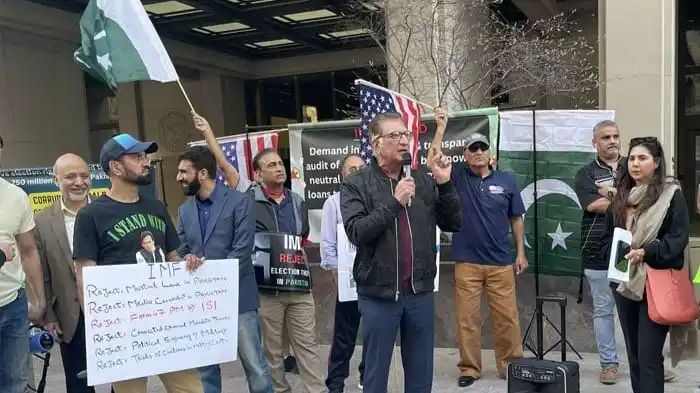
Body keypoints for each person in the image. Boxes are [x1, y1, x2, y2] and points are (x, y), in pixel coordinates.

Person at [340, 111, 462, 393]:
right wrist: (394, 203)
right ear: (375, 143)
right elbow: (357, 232)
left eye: (406, 134)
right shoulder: (357, 183)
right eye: (394, 135)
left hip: (419, 292)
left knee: (421, 375)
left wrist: (444, 183)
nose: (403, 140)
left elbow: (453, 222)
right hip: (379, 294)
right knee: (375, 375)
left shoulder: (421, 178)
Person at [73, 134, 204, 393]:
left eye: (145, 156)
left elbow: (172, 257)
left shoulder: (156, 207)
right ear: (115, 167)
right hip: (125, 331)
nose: (145, 162)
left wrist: (188, 264)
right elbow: (85, 276)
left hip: (167, 324)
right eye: (136, 157)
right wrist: (101, 332)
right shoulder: (91, 215)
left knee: (191, 389)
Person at [176, 142, 273, 393]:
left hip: (238, 298)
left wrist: (211, 274)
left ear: (203, 174)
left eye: (184, 172)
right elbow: (183, 249)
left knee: (255, 364)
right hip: (201, 304)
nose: (179, 178)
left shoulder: (239, 202)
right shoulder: (184, 211)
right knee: (206, 370)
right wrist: (187, 260)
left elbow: (242, 250)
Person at [600, 137, 688, 393]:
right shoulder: (621, 196)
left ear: (656, 162)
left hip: (655, 284)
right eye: (633, 158)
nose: (636, 164)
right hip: (624, 282)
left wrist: (646, 252)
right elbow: (607, 238)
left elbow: (676, 241)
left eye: (643, 158)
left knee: (649, 356)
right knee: (635, 355)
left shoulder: (671, 195)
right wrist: (617, 255)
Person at [445, 131, 528, 387]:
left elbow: (516, 218)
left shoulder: (507, 180)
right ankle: (470, 368)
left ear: (490, 153)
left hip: (500, 262)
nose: (478, 152)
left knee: (507, 318)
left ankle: (510, 365)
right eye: (473, 148)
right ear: (465, 155)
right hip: (466, 262)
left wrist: (520, 253)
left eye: (482, 147)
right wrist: (440, 128)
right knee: (467, 319)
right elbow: (433, 160)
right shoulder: (458, 177)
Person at [247, 148, 325, 393]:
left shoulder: (297, 201)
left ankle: (317, 390)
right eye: (271, 165)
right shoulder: (247, 203)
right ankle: (280, 390)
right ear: (258, 174)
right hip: (267, 289)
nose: (279, 168)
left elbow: (301, 238)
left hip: (298, 285)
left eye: (280, 163)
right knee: (272, 350)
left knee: (307, 345)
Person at [34, 153, 94, 393]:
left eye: (84, 175)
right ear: (55, 179)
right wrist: (48, 315)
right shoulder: (41, 222)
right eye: (70, 176)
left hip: (111, 313)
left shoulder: (105, 212)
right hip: (70, 316)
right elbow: (41, 273)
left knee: (121, 381)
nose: (79, 182)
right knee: (79, 384)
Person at [574, 120, 622, 384]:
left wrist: (610, 193)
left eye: (615, 136)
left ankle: (648, 362)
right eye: (605, 137)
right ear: (595, 142)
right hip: (596, 250)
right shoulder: (585, 174)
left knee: (639, 309)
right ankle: (609, 364)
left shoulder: (632, 167)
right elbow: (593, 205)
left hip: (632, 250)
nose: (612, 141)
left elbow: (647, 197)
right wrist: (624, 197)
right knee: (604, 310)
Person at [321, 154, 366, 393]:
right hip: (347, 281)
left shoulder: (375, 200)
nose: (356, 171)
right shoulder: (333, 203)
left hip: (373, 280)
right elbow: (327, 245)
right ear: (342, 174)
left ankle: (367, 376)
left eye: (361, 167)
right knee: (343, 336)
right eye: (351, 169)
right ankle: (336, 383)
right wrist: (337, 271)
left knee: (374, 333)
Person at [0, 163, 46, 393]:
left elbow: (28, 250)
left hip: (12, 304)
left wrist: (39, 299)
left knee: (16, 382)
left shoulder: (16, 196)